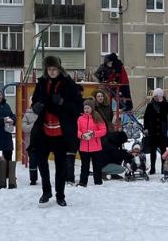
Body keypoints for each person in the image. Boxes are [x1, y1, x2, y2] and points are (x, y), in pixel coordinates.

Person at [30, 55, 84, 207]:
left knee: (61, 165)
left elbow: (78, 107)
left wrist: (62, 102)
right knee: (41, 161)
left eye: (54, 69)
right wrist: (36, 107)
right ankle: (46, 191)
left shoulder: (69, 84)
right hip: (44, 131)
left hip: (61, 132)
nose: (52, 72)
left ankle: (60, 195)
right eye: (49, 69)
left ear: (59, 69)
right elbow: (34, 101)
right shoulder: (41, 83)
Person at [76, 99, 107, 187]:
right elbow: (76, 130)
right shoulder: (80, 118)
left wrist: (93, 134)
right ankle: (83, 182)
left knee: (97, 166)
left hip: (96, 147)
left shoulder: (97, 117)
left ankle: (98, 181)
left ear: (92, 108)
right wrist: (82, 135)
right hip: (84, 147)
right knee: (84, 166)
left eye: (88, 108)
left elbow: (103, 130)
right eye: (85, 108)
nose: (86, 110)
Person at [142, 89, 168, 176]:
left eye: (157, 96)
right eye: (154, 96)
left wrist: (162, 103)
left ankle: (163, 168)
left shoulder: (166, 104)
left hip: (162, 130)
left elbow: (166, 113)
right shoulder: (150, 105)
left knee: (163, 150)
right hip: (153, 130)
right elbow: (146, 117)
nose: (155, 97)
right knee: (153, 150)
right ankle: (153, 168)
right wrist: (146, 128)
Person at [22, 106, 39, 187]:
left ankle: (45, 177)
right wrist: (34, 125)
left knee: (43, 162)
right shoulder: (27, 114)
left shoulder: (45, 112)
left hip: (43, 143)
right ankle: (33, 179)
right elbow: (24, 128)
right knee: (33, 162)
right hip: (31, 143)